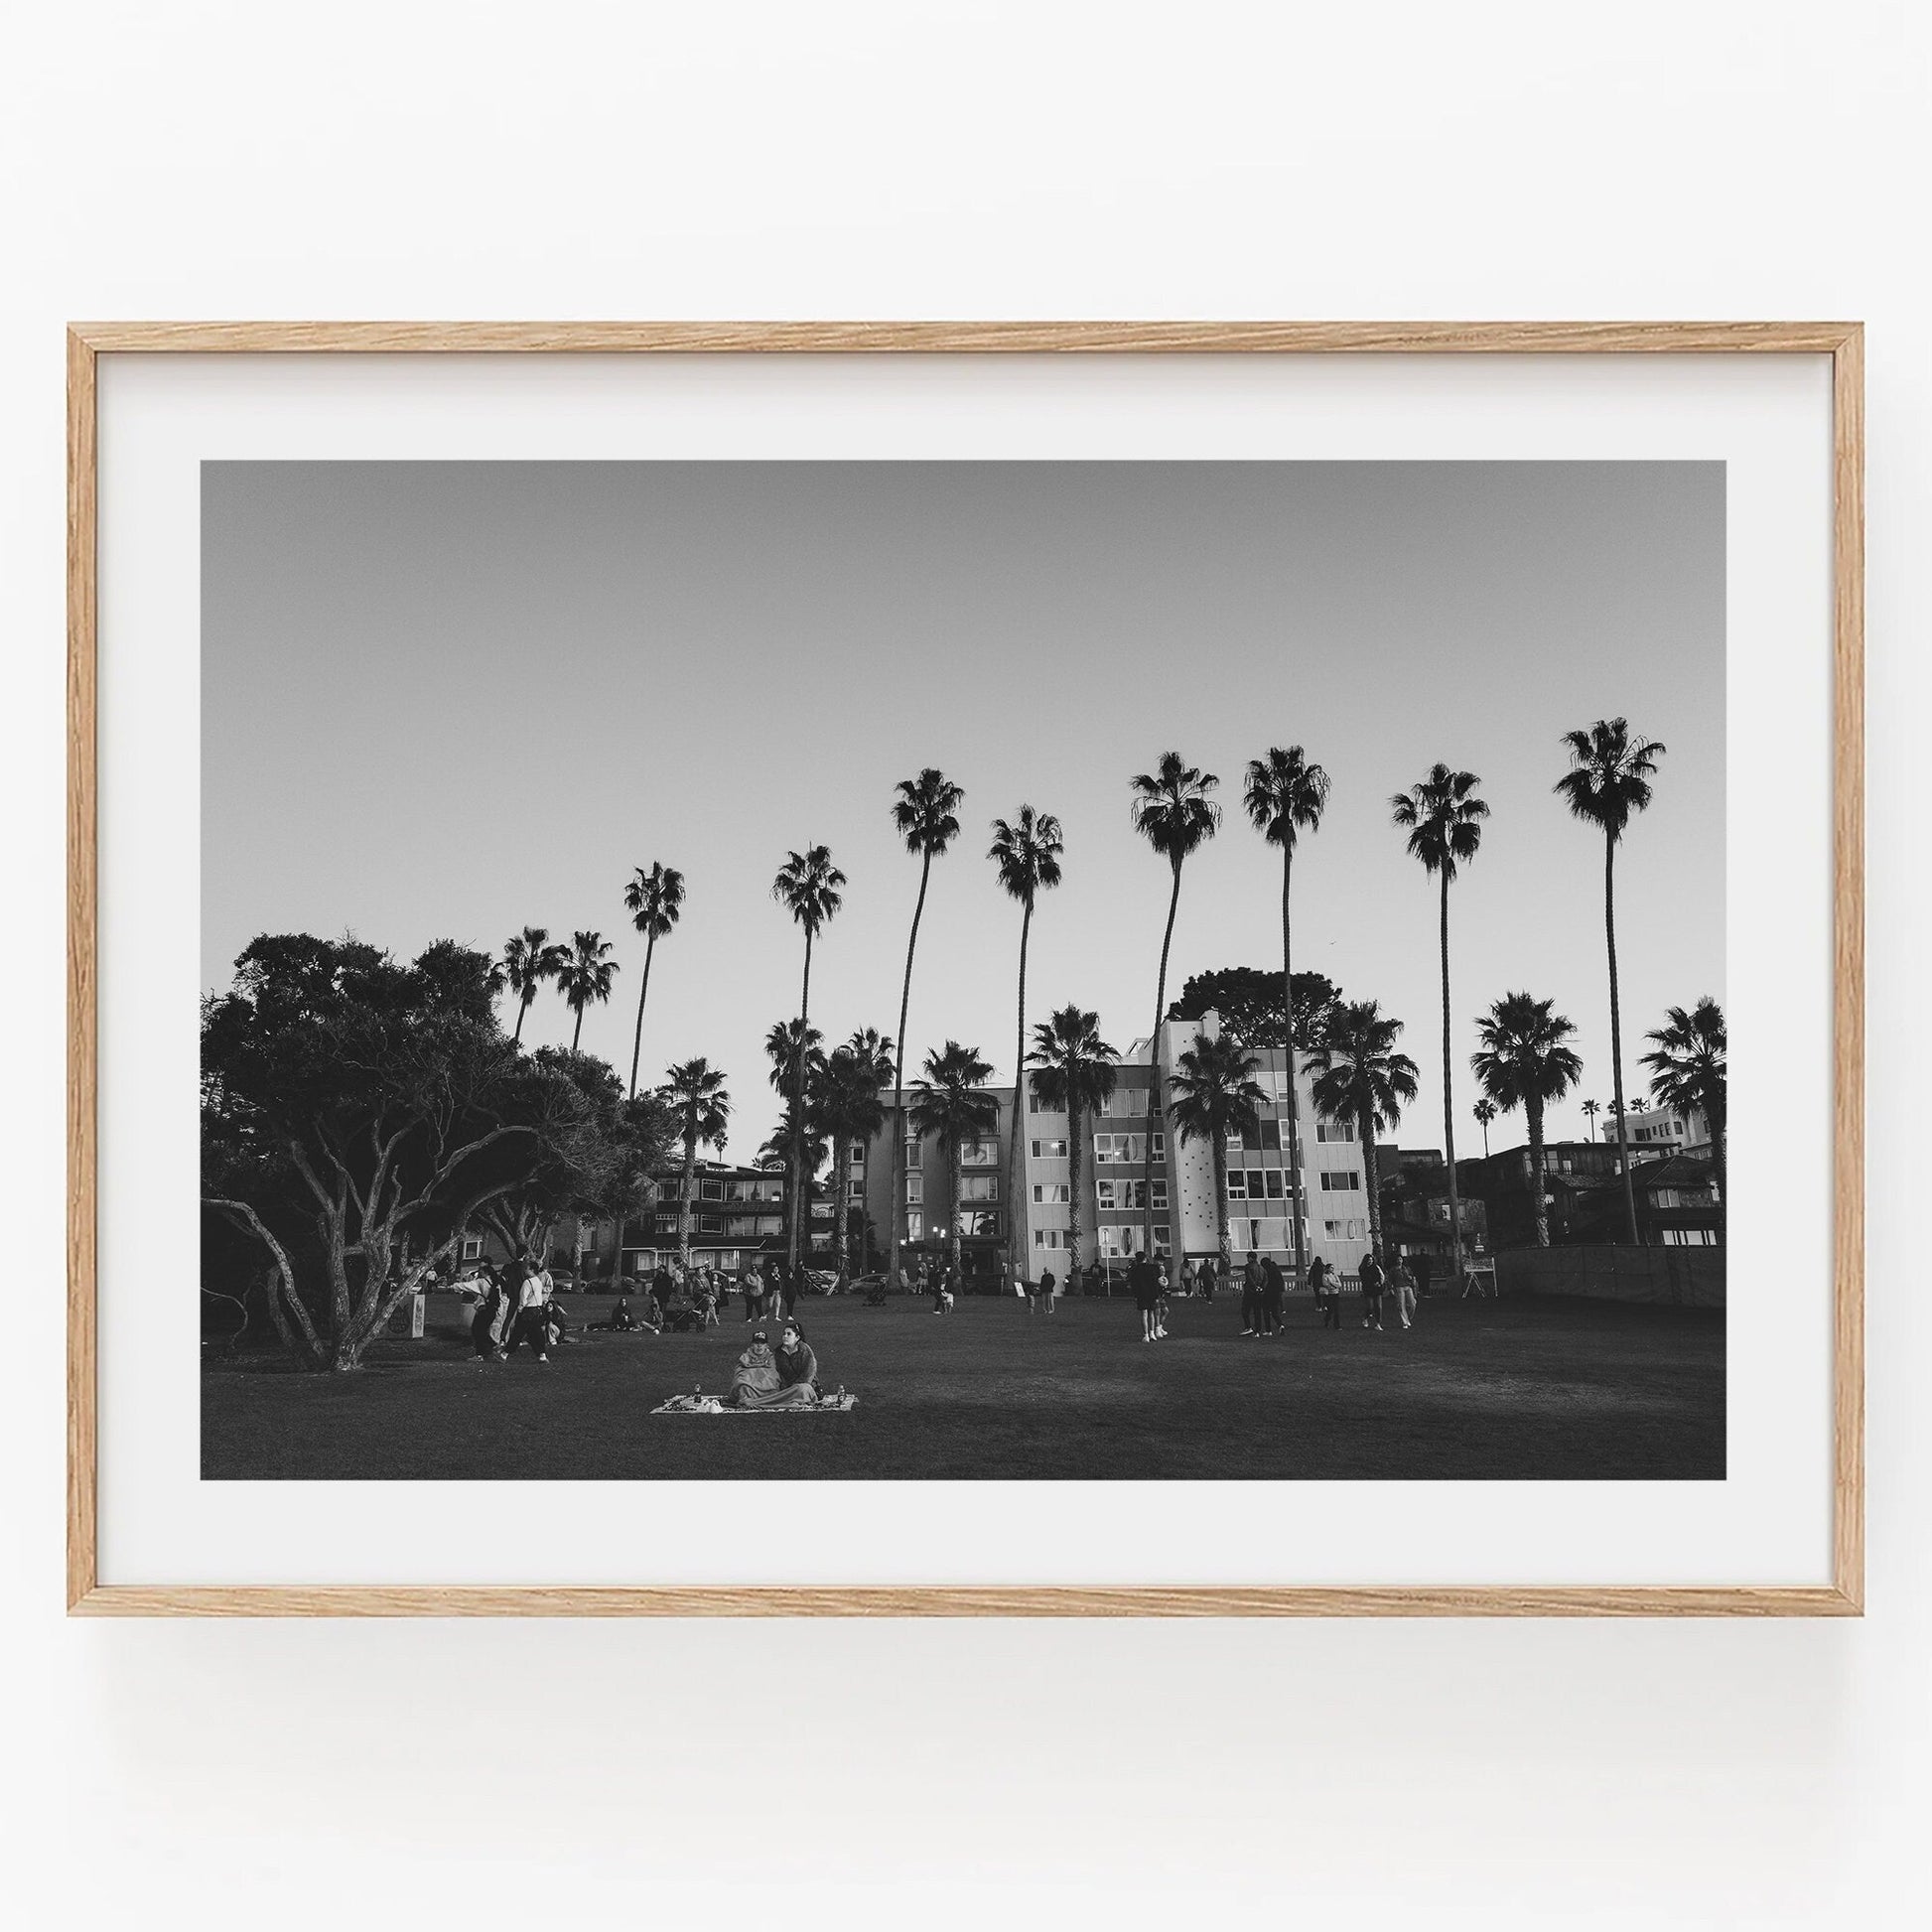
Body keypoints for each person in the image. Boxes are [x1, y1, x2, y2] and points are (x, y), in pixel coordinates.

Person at [506, 1257, 552, 1360]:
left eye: (527, 1268)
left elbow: (523, 1298)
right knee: (535, 1334)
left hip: (527, 1311)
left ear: (532, 1270)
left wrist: (520, 1309)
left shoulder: (527, 1283)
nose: (525, 1270)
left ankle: (505, 1353)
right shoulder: (538, 1281)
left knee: (518, 1333)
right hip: (537, 1310)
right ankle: (542, 1355)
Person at [470, 1260, 511, 1360]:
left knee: (478, 1330)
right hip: (490, 1308)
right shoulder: (495, 1280)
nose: (479, 1270)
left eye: (481, 1268)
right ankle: (488, 1349)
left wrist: (454, 1286)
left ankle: (487, 1349)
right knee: (481, 1331)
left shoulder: (486, 1282)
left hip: (486, 1309)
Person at [774, 1319, 819, 1399]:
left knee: (801, 1389)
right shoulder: (778, 1352)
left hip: (804, 1385)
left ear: (797, 1337)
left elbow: (809, 1373)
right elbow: (778, 1373)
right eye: (784, 1334)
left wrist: (794, 1387)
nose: (785, 1336)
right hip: (786, 1387)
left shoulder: (805, 1350)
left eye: (789, 1334)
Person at [1129, 1246, 1162, 1341]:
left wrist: (1135, 1295)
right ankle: (1152, 1333)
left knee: (1144, 1314)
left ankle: (1146, 1335)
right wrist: (1156, 1295)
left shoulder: (1134, 1270)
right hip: (1151, 1293)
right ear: (1145, 1258)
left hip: (1141, 1294)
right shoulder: (1152, 1268)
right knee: (1151, 1313)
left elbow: (1133, 1284)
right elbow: (1154, 1282)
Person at [1309, 1253, 1340, 1330]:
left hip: (1318, 1284)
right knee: (1332, 1308)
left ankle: (1320, 1307)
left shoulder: (1314, 1267)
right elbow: (1330, 1284)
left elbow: (1311, 1275)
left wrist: (1310, 1282)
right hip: (1329, 1291)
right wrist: (1334, 1285)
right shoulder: (1323, 1270)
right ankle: (1326, 1311)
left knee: (1318, 1296)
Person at [1259, 1250, 1285, 1337]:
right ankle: (1281, 1325)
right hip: (1276, 1294)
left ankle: (1268, 1330)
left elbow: (1264, 1281)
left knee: (1266, 1312)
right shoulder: (1276, 1269)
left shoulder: (1266, 1271)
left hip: (1267, 1294)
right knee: (1275, 1312)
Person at [1359, 1249, 1386, 1331]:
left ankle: (1378, 1323)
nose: (1370, 1261)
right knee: (1370, 1306)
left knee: (1378, 1306)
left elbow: (1382, 1276)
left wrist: (1380, 1283)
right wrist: (1372, 1283)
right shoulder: (1362, 1268)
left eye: (1371, 1259)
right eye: (1369, 1260)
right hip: (1368, 1289)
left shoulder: (1376, 1267)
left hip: (1377, 1289)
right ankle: (1365, 1317)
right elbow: (1364, 1279)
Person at [1391, 1255, 1418, 1330]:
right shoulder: (1393, 1269)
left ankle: (1408, 1317)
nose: (1399, 1261)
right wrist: (1391, 1288)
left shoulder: (1406, 1268)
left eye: (1400, 1259)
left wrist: (1410, 1278)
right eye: (1398, 1259)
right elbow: (1390, 1279)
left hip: (1407, 1286)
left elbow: (1412, 1276)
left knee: (1413, 1304)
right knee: (1401, 1305)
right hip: (1399, 1287)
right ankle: (1405, 1322)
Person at [1240, 1253, 1264, 1336]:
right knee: (1257, 1312)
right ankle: (1257, 1331)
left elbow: (1249, 1278)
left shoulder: (1248, 1266)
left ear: (1250, 1258)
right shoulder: (1261, 1268)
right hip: (1259, 1292)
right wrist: (1261, 1287)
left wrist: (1254, 1286)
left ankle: (1248, 1327)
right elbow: (1265, 1279)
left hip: (1250, 1292)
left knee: (1245, 1310)